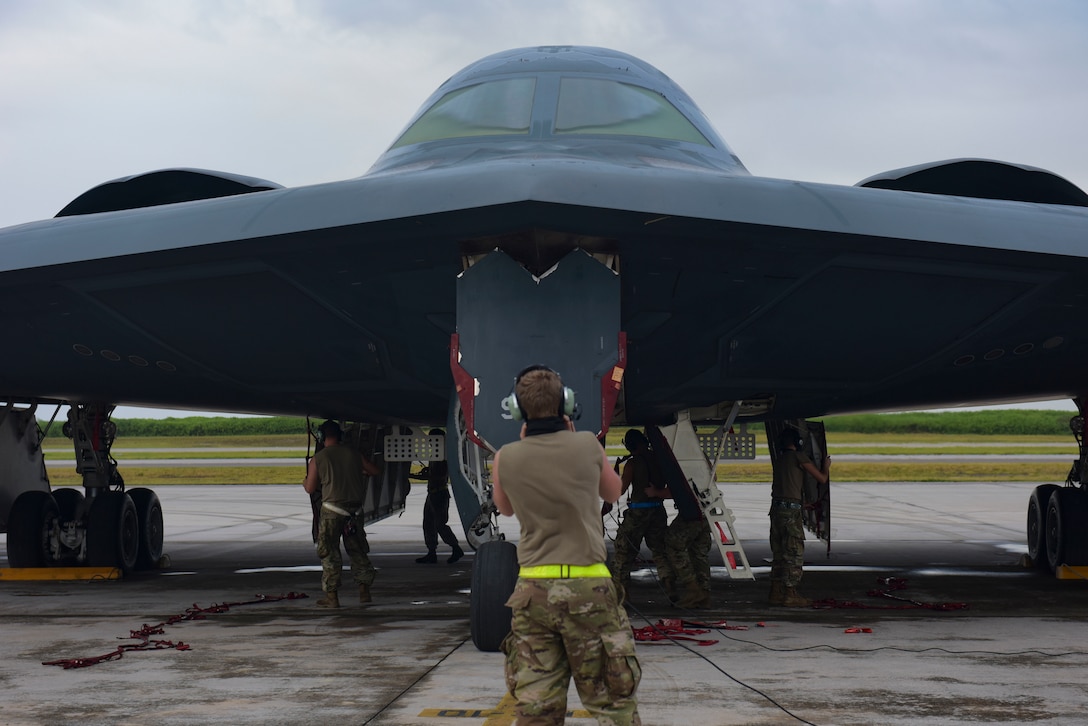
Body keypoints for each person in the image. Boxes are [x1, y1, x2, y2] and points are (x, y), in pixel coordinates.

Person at [492, 365, 642, 725]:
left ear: (517, 409)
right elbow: (613, 492)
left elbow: (505, 508)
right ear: (567, 404)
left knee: (537, 706)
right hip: (588, 588)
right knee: (610, 701)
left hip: (533, 593)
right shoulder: (587, 444)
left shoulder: (505, 457)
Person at [302, 420, 381, 608]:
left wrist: (305, 481)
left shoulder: (319, 458)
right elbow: (374, 470)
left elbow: (311, 488)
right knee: (358, 551)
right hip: (354, 512)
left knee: (329, 553)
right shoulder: (354, 454)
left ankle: (332, 597)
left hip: (332, 512)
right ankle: (364, 592)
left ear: (321, 437)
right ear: (340, 436)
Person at [768, 427, 830, 607]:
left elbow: (787, 485)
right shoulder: (799, 457)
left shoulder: (780, 460)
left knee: (779, 552)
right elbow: (821, 479)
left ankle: (775, 592)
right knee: (794, 552)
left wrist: (802, 504)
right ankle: (790, 593)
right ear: (797, 442)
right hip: (791, 512)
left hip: (777, 509)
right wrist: (825, 467)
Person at [611, 429, 672, 600]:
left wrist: (615, 473)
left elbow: (619, 491)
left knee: (624, 552)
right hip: (658, 510)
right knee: (660, 551)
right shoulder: (660, 459)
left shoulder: (632, 464)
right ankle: (670, 585)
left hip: (638, 513)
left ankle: (621, 594)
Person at [415, 428, 464, 564]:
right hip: (433, 493)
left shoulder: (442, 455)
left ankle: (455, 548)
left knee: (439, 524)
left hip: (439, 494)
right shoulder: (437, 454)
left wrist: (424, 476)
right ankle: (432, 552)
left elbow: (440, 474)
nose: (430, 442)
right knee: (428, 524)